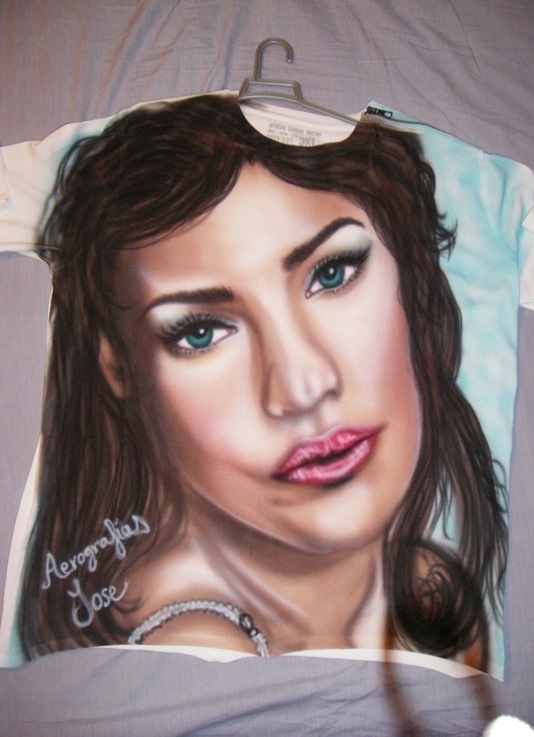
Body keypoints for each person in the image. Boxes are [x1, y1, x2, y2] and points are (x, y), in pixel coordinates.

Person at [19, 94, 507, 670]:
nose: (302, 388)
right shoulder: (191, 651)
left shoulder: (427, 586)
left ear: (410, 271)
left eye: (333, 273)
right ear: (119, 367)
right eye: (201, 332)